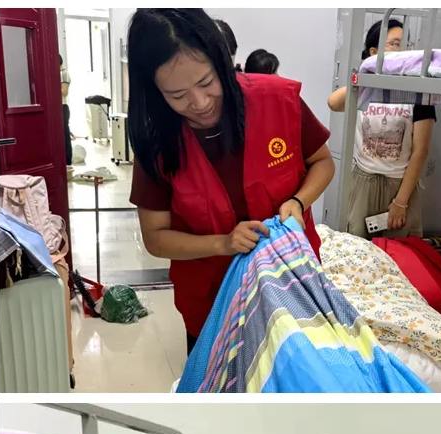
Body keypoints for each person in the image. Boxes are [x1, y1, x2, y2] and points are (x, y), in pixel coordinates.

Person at [127, 9, 335, 351]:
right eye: (177, 95)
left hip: (292, 287)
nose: (199, 103)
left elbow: (322, 162)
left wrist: (298, 201)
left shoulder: (276, 100)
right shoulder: (157, 141)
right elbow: (156, 238)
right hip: (212, 303)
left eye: (206, 82)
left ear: (222, 61)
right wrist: (223, 244)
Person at [327, 19, 436, 239]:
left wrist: (401, 202)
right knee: (357, 245)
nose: (401, 50)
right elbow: (333, 103)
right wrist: (367, 75)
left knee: (399, 250)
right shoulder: (365, 89)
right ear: (374, 52)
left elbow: (421, 151)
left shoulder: (419, 91)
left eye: (405, 44)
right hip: (363, 181)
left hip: (400, 184)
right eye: (394, 44)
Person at [59, 55, 72, 167]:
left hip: (63, 107)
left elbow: (64, 92)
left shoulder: (64, 73)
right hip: (56, 108)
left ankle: (68, 161)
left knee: (64, 134)